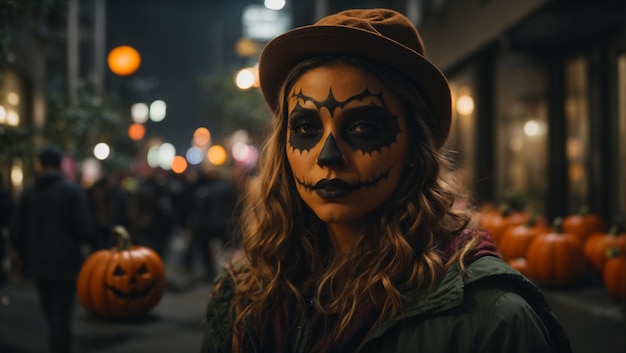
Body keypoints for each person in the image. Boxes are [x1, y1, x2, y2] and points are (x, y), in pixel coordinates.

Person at [201, 8, 572, 353]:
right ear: (283, 145)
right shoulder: (243, 295)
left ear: (414, 147)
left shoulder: (492, 318)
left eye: (363, 127)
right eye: (305, 127)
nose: (328, 155)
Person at [10, 144, 95, 353]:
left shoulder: (30, 193)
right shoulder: (72, 191)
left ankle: (57, 344)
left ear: (40, 165)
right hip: (66, 264)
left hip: (38, 263)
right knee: (62, 316)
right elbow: (84, 228)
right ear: (60, 165)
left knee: (50, 313)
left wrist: (20, 255)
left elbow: (18, 230)